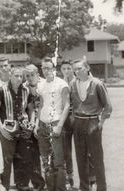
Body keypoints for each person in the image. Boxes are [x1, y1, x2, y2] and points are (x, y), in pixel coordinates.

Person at [70, 59, 112, 191]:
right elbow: (70, 104)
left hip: (93, 122)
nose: (77, 72)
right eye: (75, 69)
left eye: (80, 68)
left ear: (87, 67)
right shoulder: (73, 84)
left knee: (96, 158)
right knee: (80, 157)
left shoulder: (97, 84)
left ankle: (101, 187)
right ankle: (84, 187)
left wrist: (100, 123)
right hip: (78, 122)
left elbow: (108, 107)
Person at [0, 67, 32, 190]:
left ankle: (22, 185)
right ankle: (5, 187)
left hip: (23, 130)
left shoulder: (26, 90)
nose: (19, 79)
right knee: (6, 160)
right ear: (10, 75)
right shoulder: (1, 90)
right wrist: (1, 129)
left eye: (21, 76)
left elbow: (30, 110)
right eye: (16, 76)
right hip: (7, 131)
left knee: (23, 158)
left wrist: (31, 124)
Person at [34, 57, 70, 191]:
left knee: (58, 161)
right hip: (43, 124)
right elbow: (41, 105)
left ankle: (60, 188)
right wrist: (37, 124)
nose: (46, 71)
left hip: (55, 123)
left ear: (54, 69)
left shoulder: (61, 84)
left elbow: (67, 105)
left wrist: (60, 125)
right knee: (46, 160)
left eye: (49, 68)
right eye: (44, 68)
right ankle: (50, 188)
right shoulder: (41, 84)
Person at [12, 64, 45, 190]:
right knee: (24, 154)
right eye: (28, 76)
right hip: (28, 124)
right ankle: (22, 183)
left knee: (39, 155)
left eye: (32, 75)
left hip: (43, 121)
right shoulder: (23, 87)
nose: (30, 78)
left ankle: (40, 183)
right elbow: (27, 108)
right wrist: (29, 124)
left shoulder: (43, 85)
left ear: (37, 74)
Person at [60, 60, 75, 188]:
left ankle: (90, 179)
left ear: (73, 69)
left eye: (69, 68)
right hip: (65, 118)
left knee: (84, 150)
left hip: (79, 117)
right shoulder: (60, 83)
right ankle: (68, 177)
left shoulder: (78, 81)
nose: (66, 71)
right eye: (64, 68)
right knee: (66, 149)